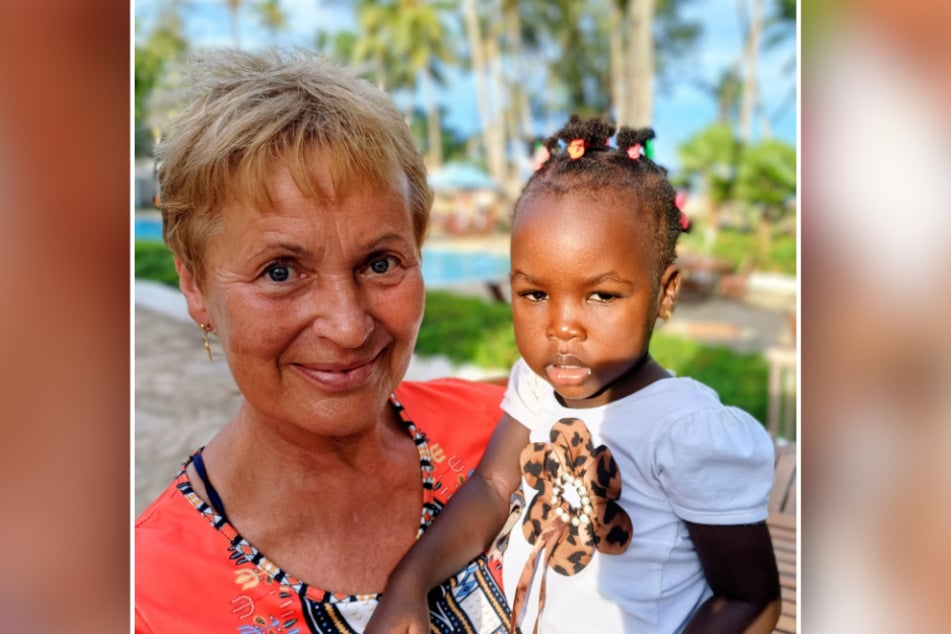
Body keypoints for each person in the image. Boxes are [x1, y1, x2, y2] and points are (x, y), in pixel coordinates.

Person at [134, 49, 513, 633]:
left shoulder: (506, 438)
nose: (348, 325)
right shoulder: (151, 598)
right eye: (280, 271)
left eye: (380, 263)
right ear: (194, 283)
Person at [367, 116, 781, 633]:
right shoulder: (538, 382)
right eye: (535, 294)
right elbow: (494, 487)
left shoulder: (686, 431)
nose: (562, 328)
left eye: (602, 295)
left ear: (665, 292)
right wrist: (410, 582)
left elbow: (749, 598)